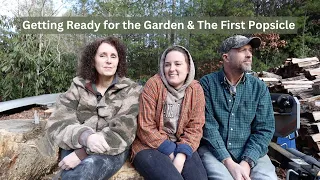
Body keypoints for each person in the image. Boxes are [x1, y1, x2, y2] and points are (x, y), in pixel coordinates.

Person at [46, 37, 142, 180]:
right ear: (93, 60)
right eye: (103, 55)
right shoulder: (78, 87)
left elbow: (124, 130)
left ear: (118, 61)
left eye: (113, 56)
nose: (108, 61)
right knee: (70, 175)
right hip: (76, 142)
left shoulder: (131, 90)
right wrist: (86, 137)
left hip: (113, 147)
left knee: (82, 174)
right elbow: (58, 121)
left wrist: (83, 153)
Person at [199, 35, 277, 180]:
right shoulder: (207, 84)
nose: (249, 55)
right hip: (214, 151)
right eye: (242, 50)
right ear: (226, 57)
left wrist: (247, 162)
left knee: (268, 178)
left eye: (250, 51)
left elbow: (265, 129)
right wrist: (228, 162)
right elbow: (208, 127)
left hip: (250, 151)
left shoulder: (258, 88)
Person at [131, 45, 208, 180]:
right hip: (148, 146)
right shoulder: (153, 85)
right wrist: (170, 151)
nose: (172, 69)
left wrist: (181, 155)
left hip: (182, 144)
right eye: (167, 65)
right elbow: (145, 127)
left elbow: (195, 127)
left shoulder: (196, 90)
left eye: (177, 64)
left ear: (188, 67)